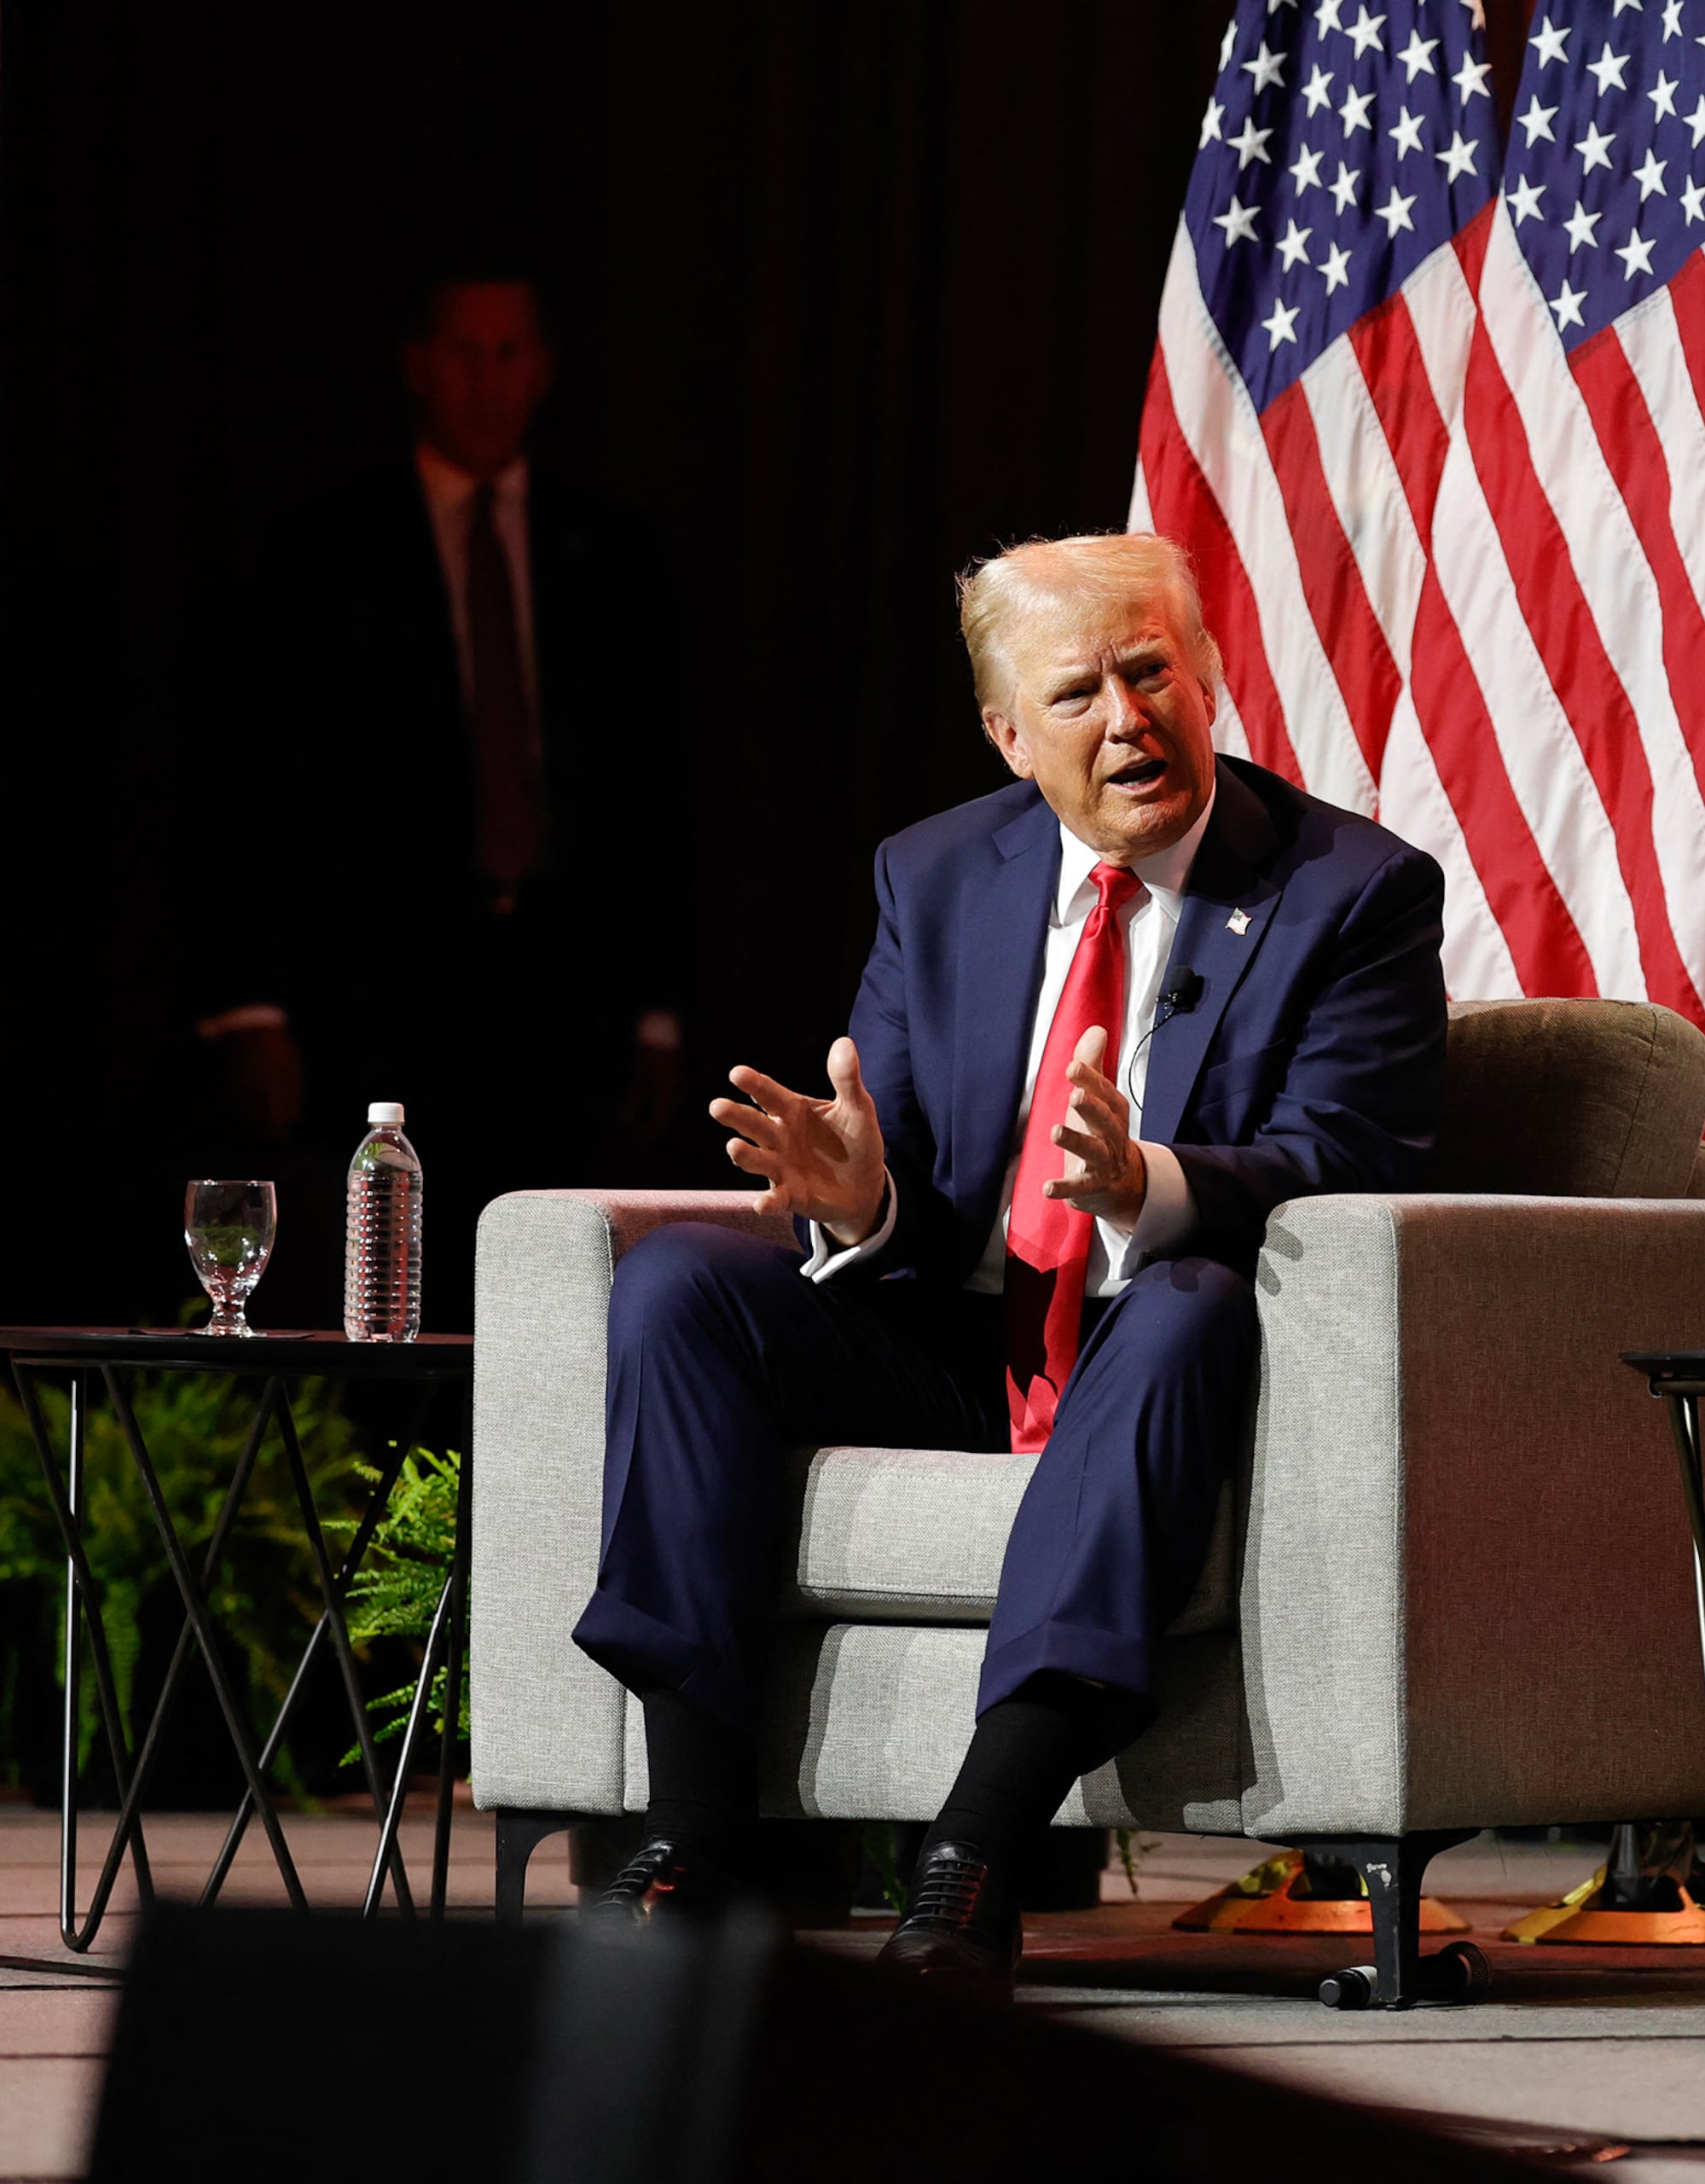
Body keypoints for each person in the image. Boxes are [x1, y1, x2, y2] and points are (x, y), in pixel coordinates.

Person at [571, 533, 1447, 1998]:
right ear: (1008, 734)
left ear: (1207, 672)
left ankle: (973, 1856)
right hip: (961, 1343)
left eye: (1153, 670)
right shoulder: (936, 876)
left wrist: (1149, 1185)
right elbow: (901, 1163)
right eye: (1080, 691)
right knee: (676, 1287)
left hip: (1168, 1360)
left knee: (1179, 1305)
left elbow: (1356, 1160)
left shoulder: (1349, 893)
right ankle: (694, 1843)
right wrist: (861, 1204)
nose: (1128, 719)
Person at [228, 271, 683, 1326]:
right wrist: (253, 1006)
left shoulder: (608, 550)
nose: (489, 380)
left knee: (550, 1296)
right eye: (466, 353)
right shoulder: (329, 545)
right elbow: (262, 777)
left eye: (511, 353)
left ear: (545, 371)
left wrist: (657, 1010)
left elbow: (654, 794)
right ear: (420, 367)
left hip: (565, 993)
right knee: (380, 1282)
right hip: (378, 976)